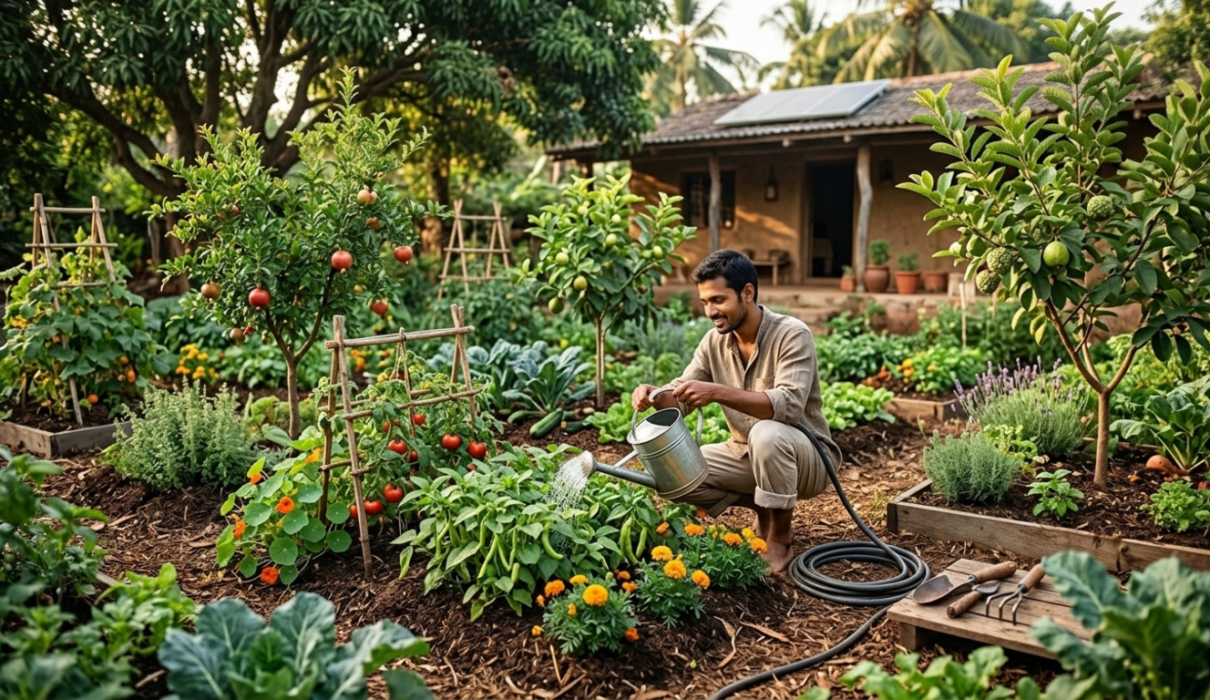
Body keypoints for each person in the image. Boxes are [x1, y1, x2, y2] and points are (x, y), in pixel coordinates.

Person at [632, 249, 841, 572]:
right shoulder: (714, 341)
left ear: (747, 293)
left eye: (718, 300)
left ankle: (780, 541)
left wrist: (716, 392)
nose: (710, 311)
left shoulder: (792, 334)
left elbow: (788, 407)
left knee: (767, 433)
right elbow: (683, 396)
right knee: (675, 471)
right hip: (745, 453)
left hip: (808, 458)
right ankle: (764, 507)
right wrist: (655, 395)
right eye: (705, 302)